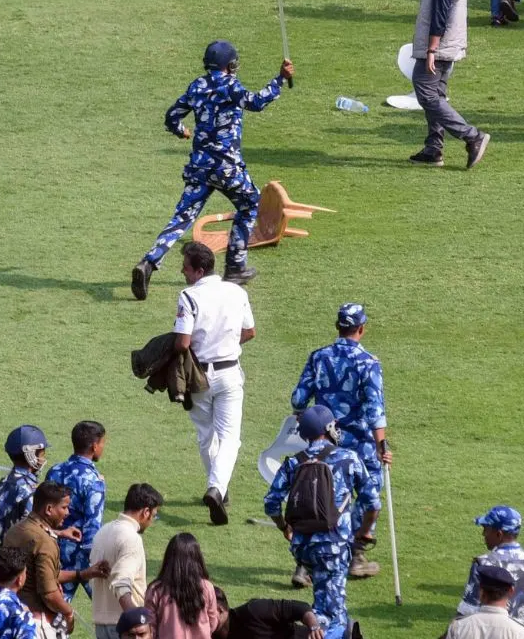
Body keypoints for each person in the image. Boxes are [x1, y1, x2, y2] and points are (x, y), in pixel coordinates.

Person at [131, 43, 290, 289]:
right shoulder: (230, 86)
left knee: (182, 217)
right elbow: (256, 102)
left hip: (199, 167)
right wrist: (280, 79)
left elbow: (172, 115)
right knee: (249, 205)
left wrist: (182, 131)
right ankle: (236, 267)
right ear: (229, 65)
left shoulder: (198, 85)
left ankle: (149, 262)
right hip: (227, 168)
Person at [290, 303, 388, 578]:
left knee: (319, 494)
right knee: (367, 496)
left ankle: (304, 562)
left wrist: (304, 416)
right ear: (361, 329)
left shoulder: (318, 357)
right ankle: (356, 553)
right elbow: (375, 411)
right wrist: (382, 446)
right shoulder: (369, 363)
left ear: (338, 327)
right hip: (360, 443)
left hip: (323, 440)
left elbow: (298, 398)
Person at [264, 407, 366, 637]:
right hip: (334, 548)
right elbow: (371, 500)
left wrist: (284, 527)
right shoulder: (349, 458)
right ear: (328, 429)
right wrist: (364, 531)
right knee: (333, 614)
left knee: (324, 600)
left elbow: (271, 503)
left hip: (303, 549)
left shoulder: (293, 463)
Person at [170, 241, 253, 523]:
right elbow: (250, 331)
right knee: (230, 438)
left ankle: (219, 488)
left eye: (186, 268)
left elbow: (182, 342)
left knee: (206, 436)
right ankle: (218, 488)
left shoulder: (188, 296)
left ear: (199, 270)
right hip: (230, 372)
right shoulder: (237, 291)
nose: (183, 272)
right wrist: (228, 343)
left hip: (199, 375)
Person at [408, 0, 490, 168]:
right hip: (448, 47)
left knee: (426, 94)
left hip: (438, 49)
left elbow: (439, 16)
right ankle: (434, 149)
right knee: (437, 96)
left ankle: (472, 136)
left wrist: (431, 50)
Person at [0, 484, 97, 634]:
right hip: (36, 623)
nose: (67, 512)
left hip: (9, 615)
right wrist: (68, 613)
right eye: (64, 507)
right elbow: (49, 593)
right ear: (49, 509)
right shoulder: (45, 543)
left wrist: (82, 574)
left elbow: (45, 575)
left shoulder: (15, 530)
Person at [451, 507, 524, 638]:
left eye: (486, 529)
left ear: (499, 534)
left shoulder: (483, 563)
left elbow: (467, 610)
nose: (483, 534)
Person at [45, 421, 109, 598]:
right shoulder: (94, 481)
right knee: (105, 607)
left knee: (54, 608)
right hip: (83, 555)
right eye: (103, 443)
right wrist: (94, 561)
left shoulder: (54, 471)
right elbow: (92, 525)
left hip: (55, 550)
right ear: (95, 446)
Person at [90, 485, 160, 639]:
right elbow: (121, 582)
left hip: (101, 625)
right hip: (126, 628)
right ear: (146, 512)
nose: (152, 521)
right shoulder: (131, 538)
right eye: (154, 515)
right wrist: (135, 620)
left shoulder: (102, 532)